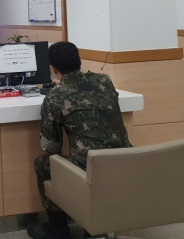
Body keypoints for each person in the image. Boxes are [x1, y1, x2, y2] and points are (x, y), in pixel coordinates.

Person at [27, 42, 132, 239]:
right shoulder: (104, 81)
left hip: (91, 168)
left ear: (53, 69)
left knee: (43, 163)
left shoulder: (55, 97)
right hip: (126, 160)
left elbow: (51, 146)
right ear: (80, 61)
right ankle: (95, 228)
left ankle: (57, 228)